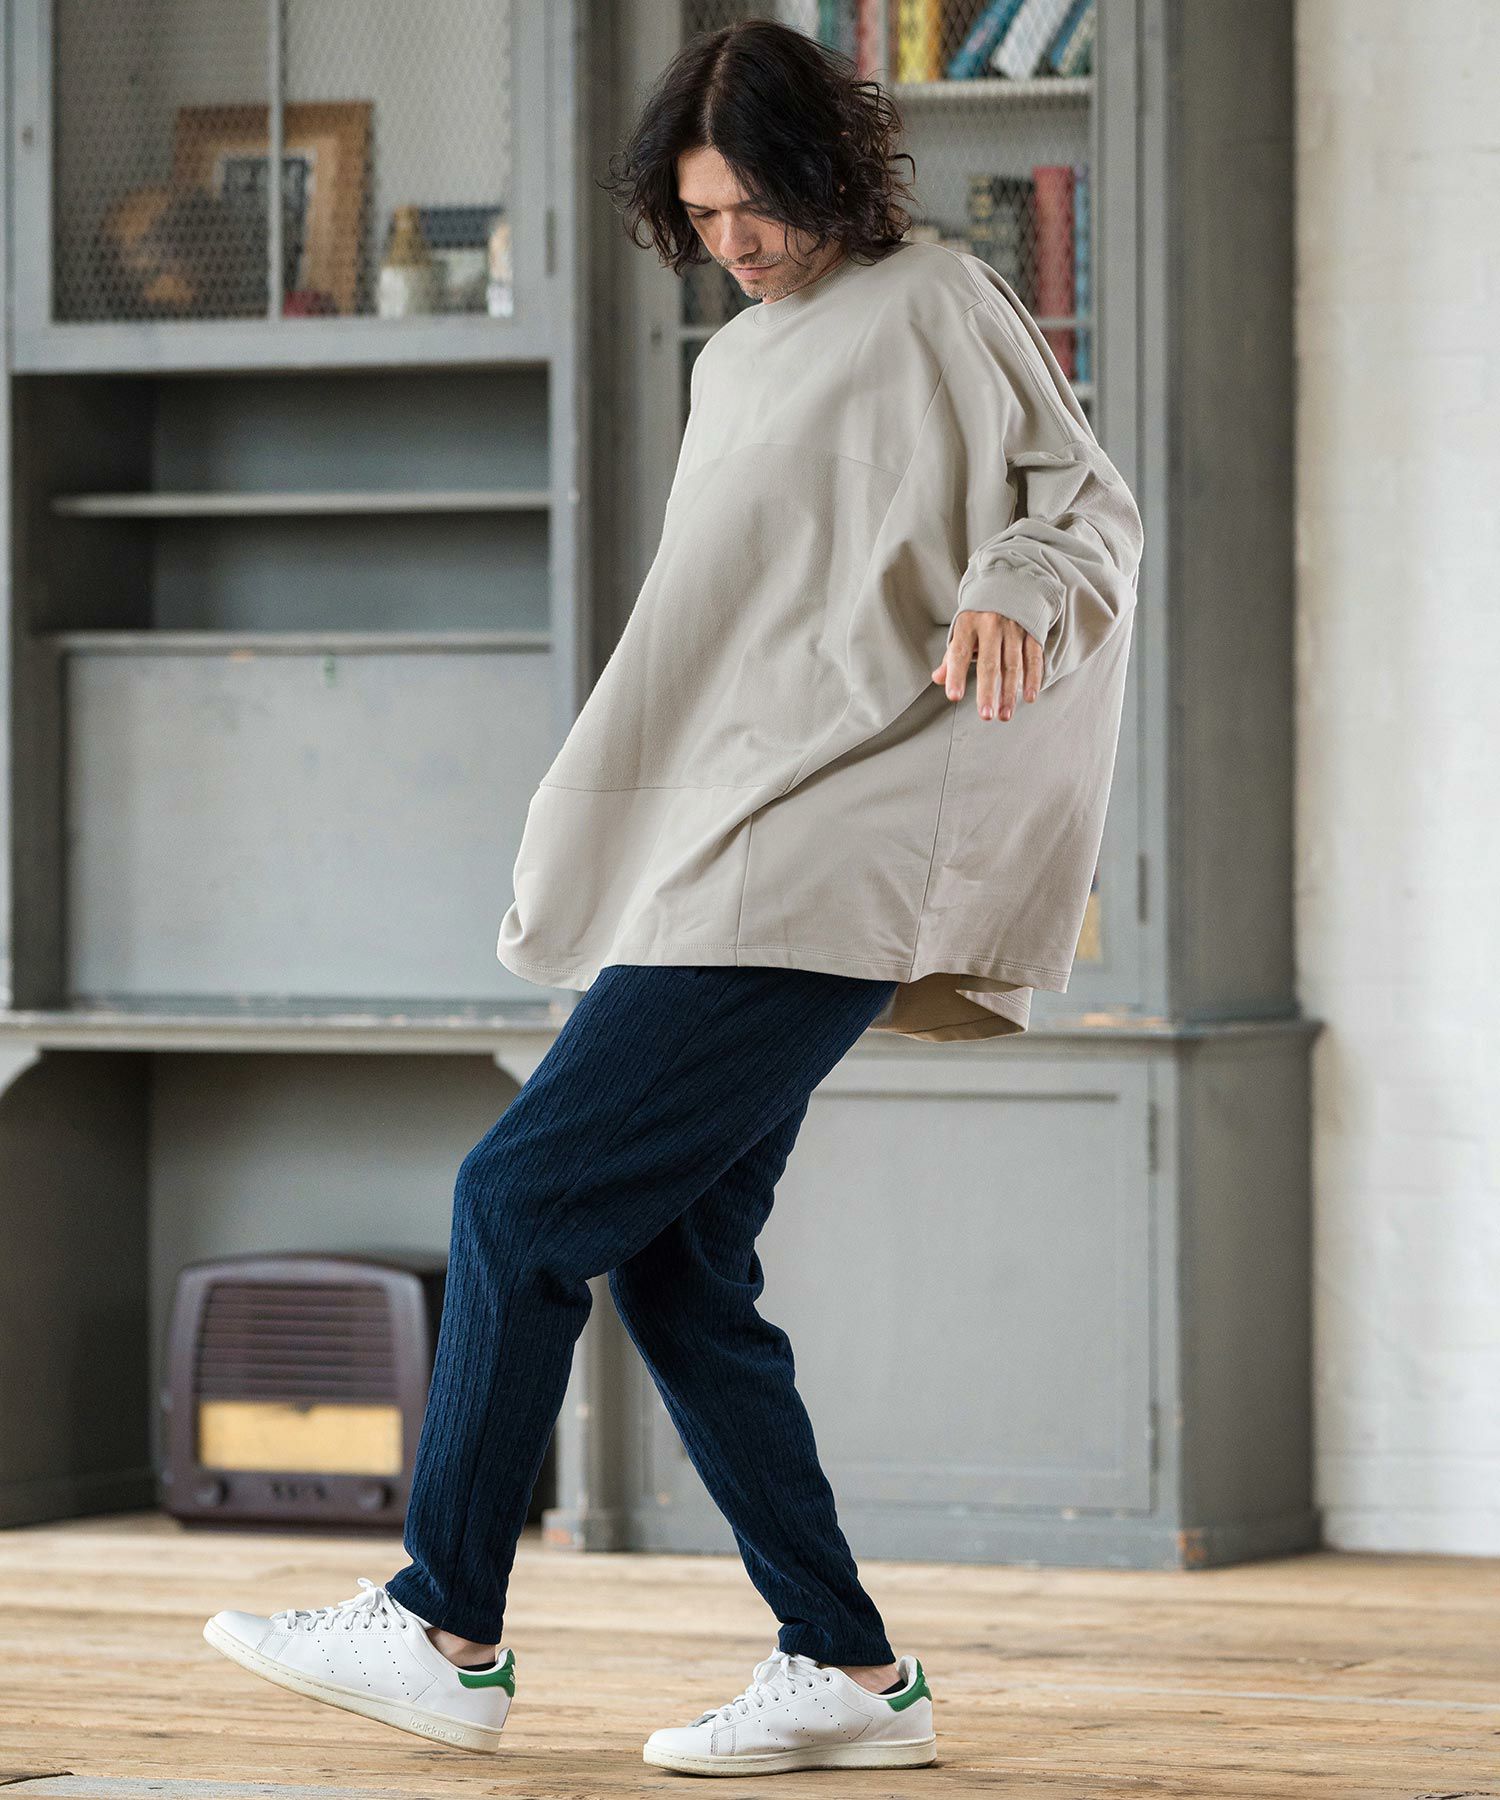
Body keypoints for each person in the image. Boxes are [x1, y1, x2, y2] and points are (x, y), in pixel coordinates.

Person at [202, 15, 1144, 1778]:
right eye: (702, 216)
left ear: (826, 171)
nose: (735, 241)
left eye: (754, 205)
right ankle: (848, 1670)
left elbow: (1088, 507)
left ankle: (445, 1625)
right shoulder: (740, 360)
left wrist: (1013, 582)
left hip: (837, 849)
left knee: (515, 1197)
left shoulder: (939, 300)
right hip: (739, 839)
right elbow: (728, 637)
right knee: (681, 1266)